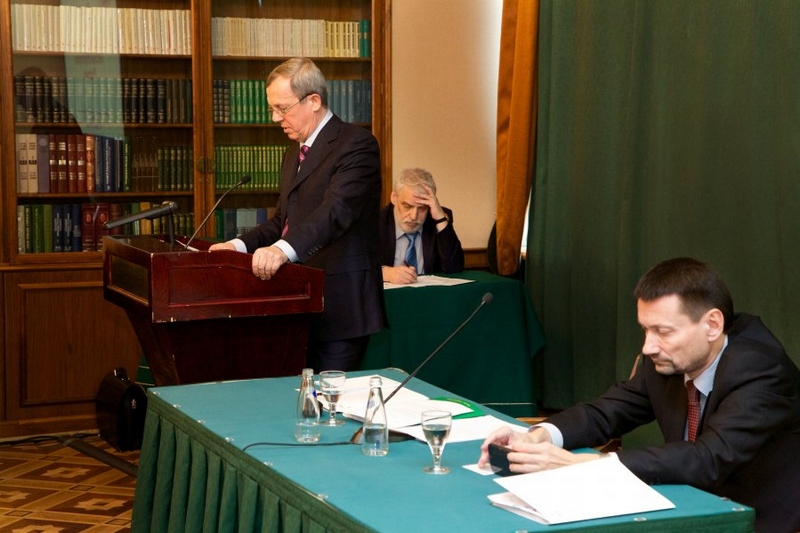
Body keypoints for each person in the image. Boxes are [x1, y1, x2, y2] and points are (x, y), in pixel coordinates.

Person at [478, 257, 800, 533]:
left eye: (663, 331)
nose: (648, 347)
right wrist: (539, 436)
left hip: (758, 518)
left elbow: (709, 459)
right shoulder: (670, 358)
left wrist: (586, 464)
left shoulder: (760, 370)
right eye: (646, 329)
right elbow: (608, 411)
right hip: (689, 502)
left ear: (712, 324)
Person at [209, 57, 385, 372]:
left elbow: (335, 213)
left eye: (283, 108)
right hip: (298, 303)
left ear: (313, 101)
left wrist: (281, 250)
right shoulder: (294, 153)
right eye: (272, 109)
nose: (276, 118)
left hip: (341, 307)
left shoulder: (356, 144)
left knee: (329, 398)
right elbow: (283, 221)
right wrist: (236, 247)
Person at [378, 168, 464, 284]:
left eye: (422, 208)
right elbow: (357, 268)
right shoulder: (375, 222)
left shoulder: (436, 219)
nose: (414, 216)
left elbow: (455, 269)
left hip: (430, 293)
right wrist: (385, 273)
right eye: (407, 206)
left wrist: (441, 219)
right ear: (394, 197)